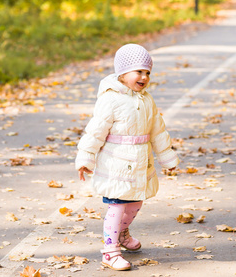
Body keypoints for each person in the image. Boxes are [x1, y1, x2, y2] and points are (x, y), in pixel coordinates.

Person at [75, 43, 179, 271]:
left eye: (147, 72)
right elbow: (95, 130)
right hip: (116, 164)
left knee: (136, 202)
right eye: (138, 71)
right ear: (122, 73)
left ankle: (122, 233)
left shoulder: (147, 100)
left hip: (139, 164)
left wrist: (167, 158)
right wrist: (85, 158)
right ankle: (110, 251)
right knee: (117, 205)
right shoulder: (110, 99)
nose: (144, 77)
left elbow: (158, 131)